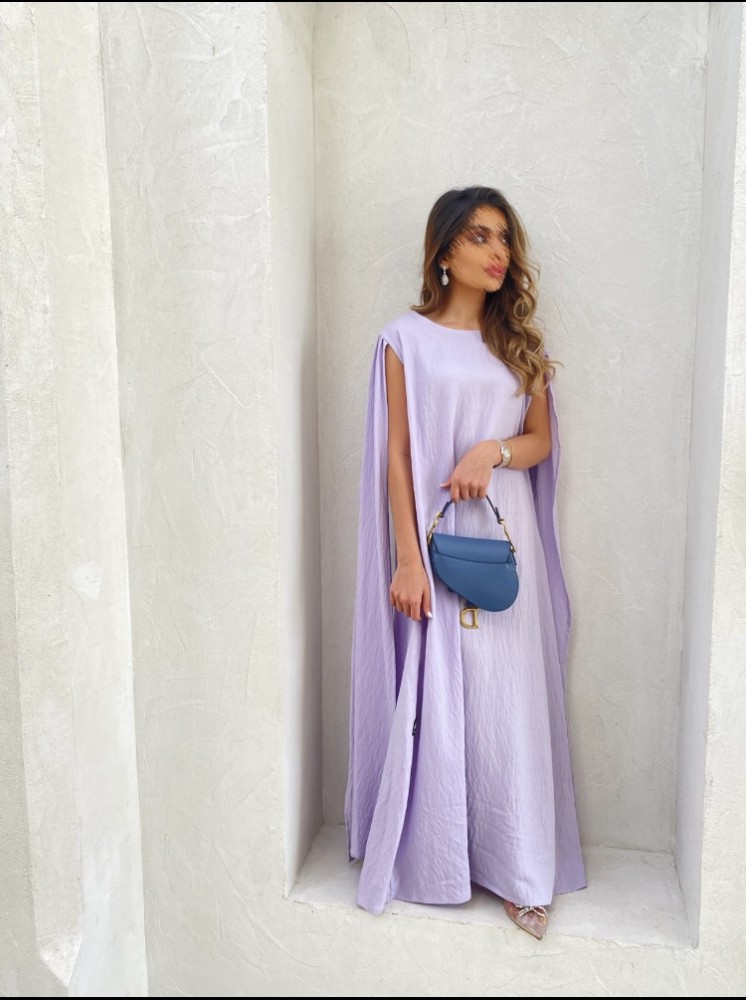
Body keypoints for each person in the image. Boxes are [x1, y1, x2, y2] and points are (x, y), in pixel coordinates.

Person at [344, 186, 587, 940]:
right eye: (480, 236)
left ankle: (521, 869)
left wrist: (493, 451)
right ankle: (441, 856)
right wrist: (407, 561)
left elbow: (539, 441)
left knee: (508, 704)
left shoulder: (518, 345)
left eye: (504, 239)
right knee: (444, 702)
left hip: (505, 549)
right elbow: (397, 455)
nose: (497, 252)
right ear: (444, 249)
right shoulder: (403, 342)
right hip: (436, 544)